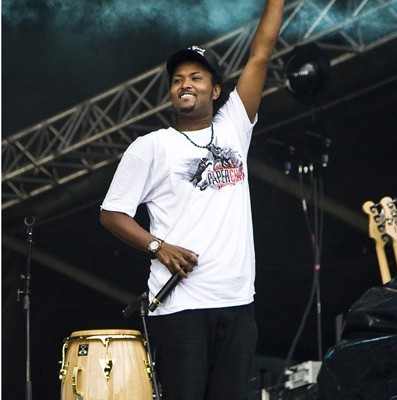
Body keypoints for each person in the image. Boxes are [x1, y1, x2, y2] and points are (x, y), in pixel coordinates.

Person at [100, 1, 284, 399]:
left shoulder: (234, 126)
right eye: (177, 79)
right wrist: (157, 246)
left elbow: (261, 53)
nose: (185, 83)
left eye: (196, 77)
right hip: (179, 307)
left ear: (216, 90)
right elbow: (111, 213)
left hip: (237, 304)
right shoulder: (151, 146)